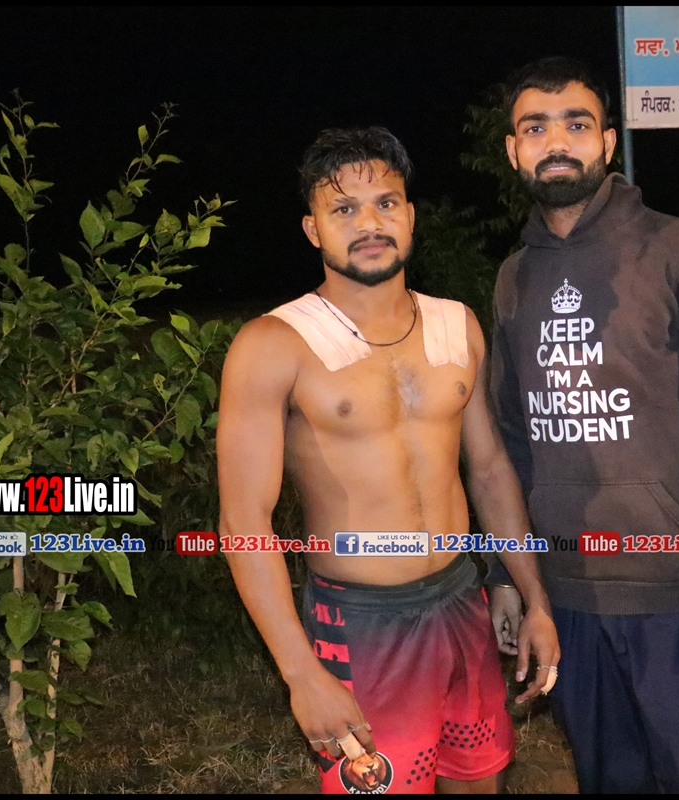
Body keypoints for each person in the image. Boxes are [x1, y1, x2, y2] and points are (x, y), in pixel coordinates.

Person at [217, 126, 559, 795]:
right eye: (344, 209)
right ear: (313, 229)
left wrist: (534, 597)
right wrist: (301, 673)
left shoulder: (456, 324)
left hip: (461, 599)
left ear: (410, 215)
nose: (369, 223)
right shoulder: (274, 344)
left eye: (386, 203)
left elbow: (489, 470)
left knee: (479, 782)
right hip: (361, 620)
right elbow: (243, 523)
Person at [484, 57, 679, 793]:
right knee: (607, 780)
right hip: (567, 595)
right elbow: (509, 440)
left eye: (577, 124)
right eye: (535, 128)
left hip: (678, 589)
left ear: (608, 142)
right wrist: (507, 576)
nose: (557, 142)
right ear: (514, 151)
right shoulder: (514, 278)